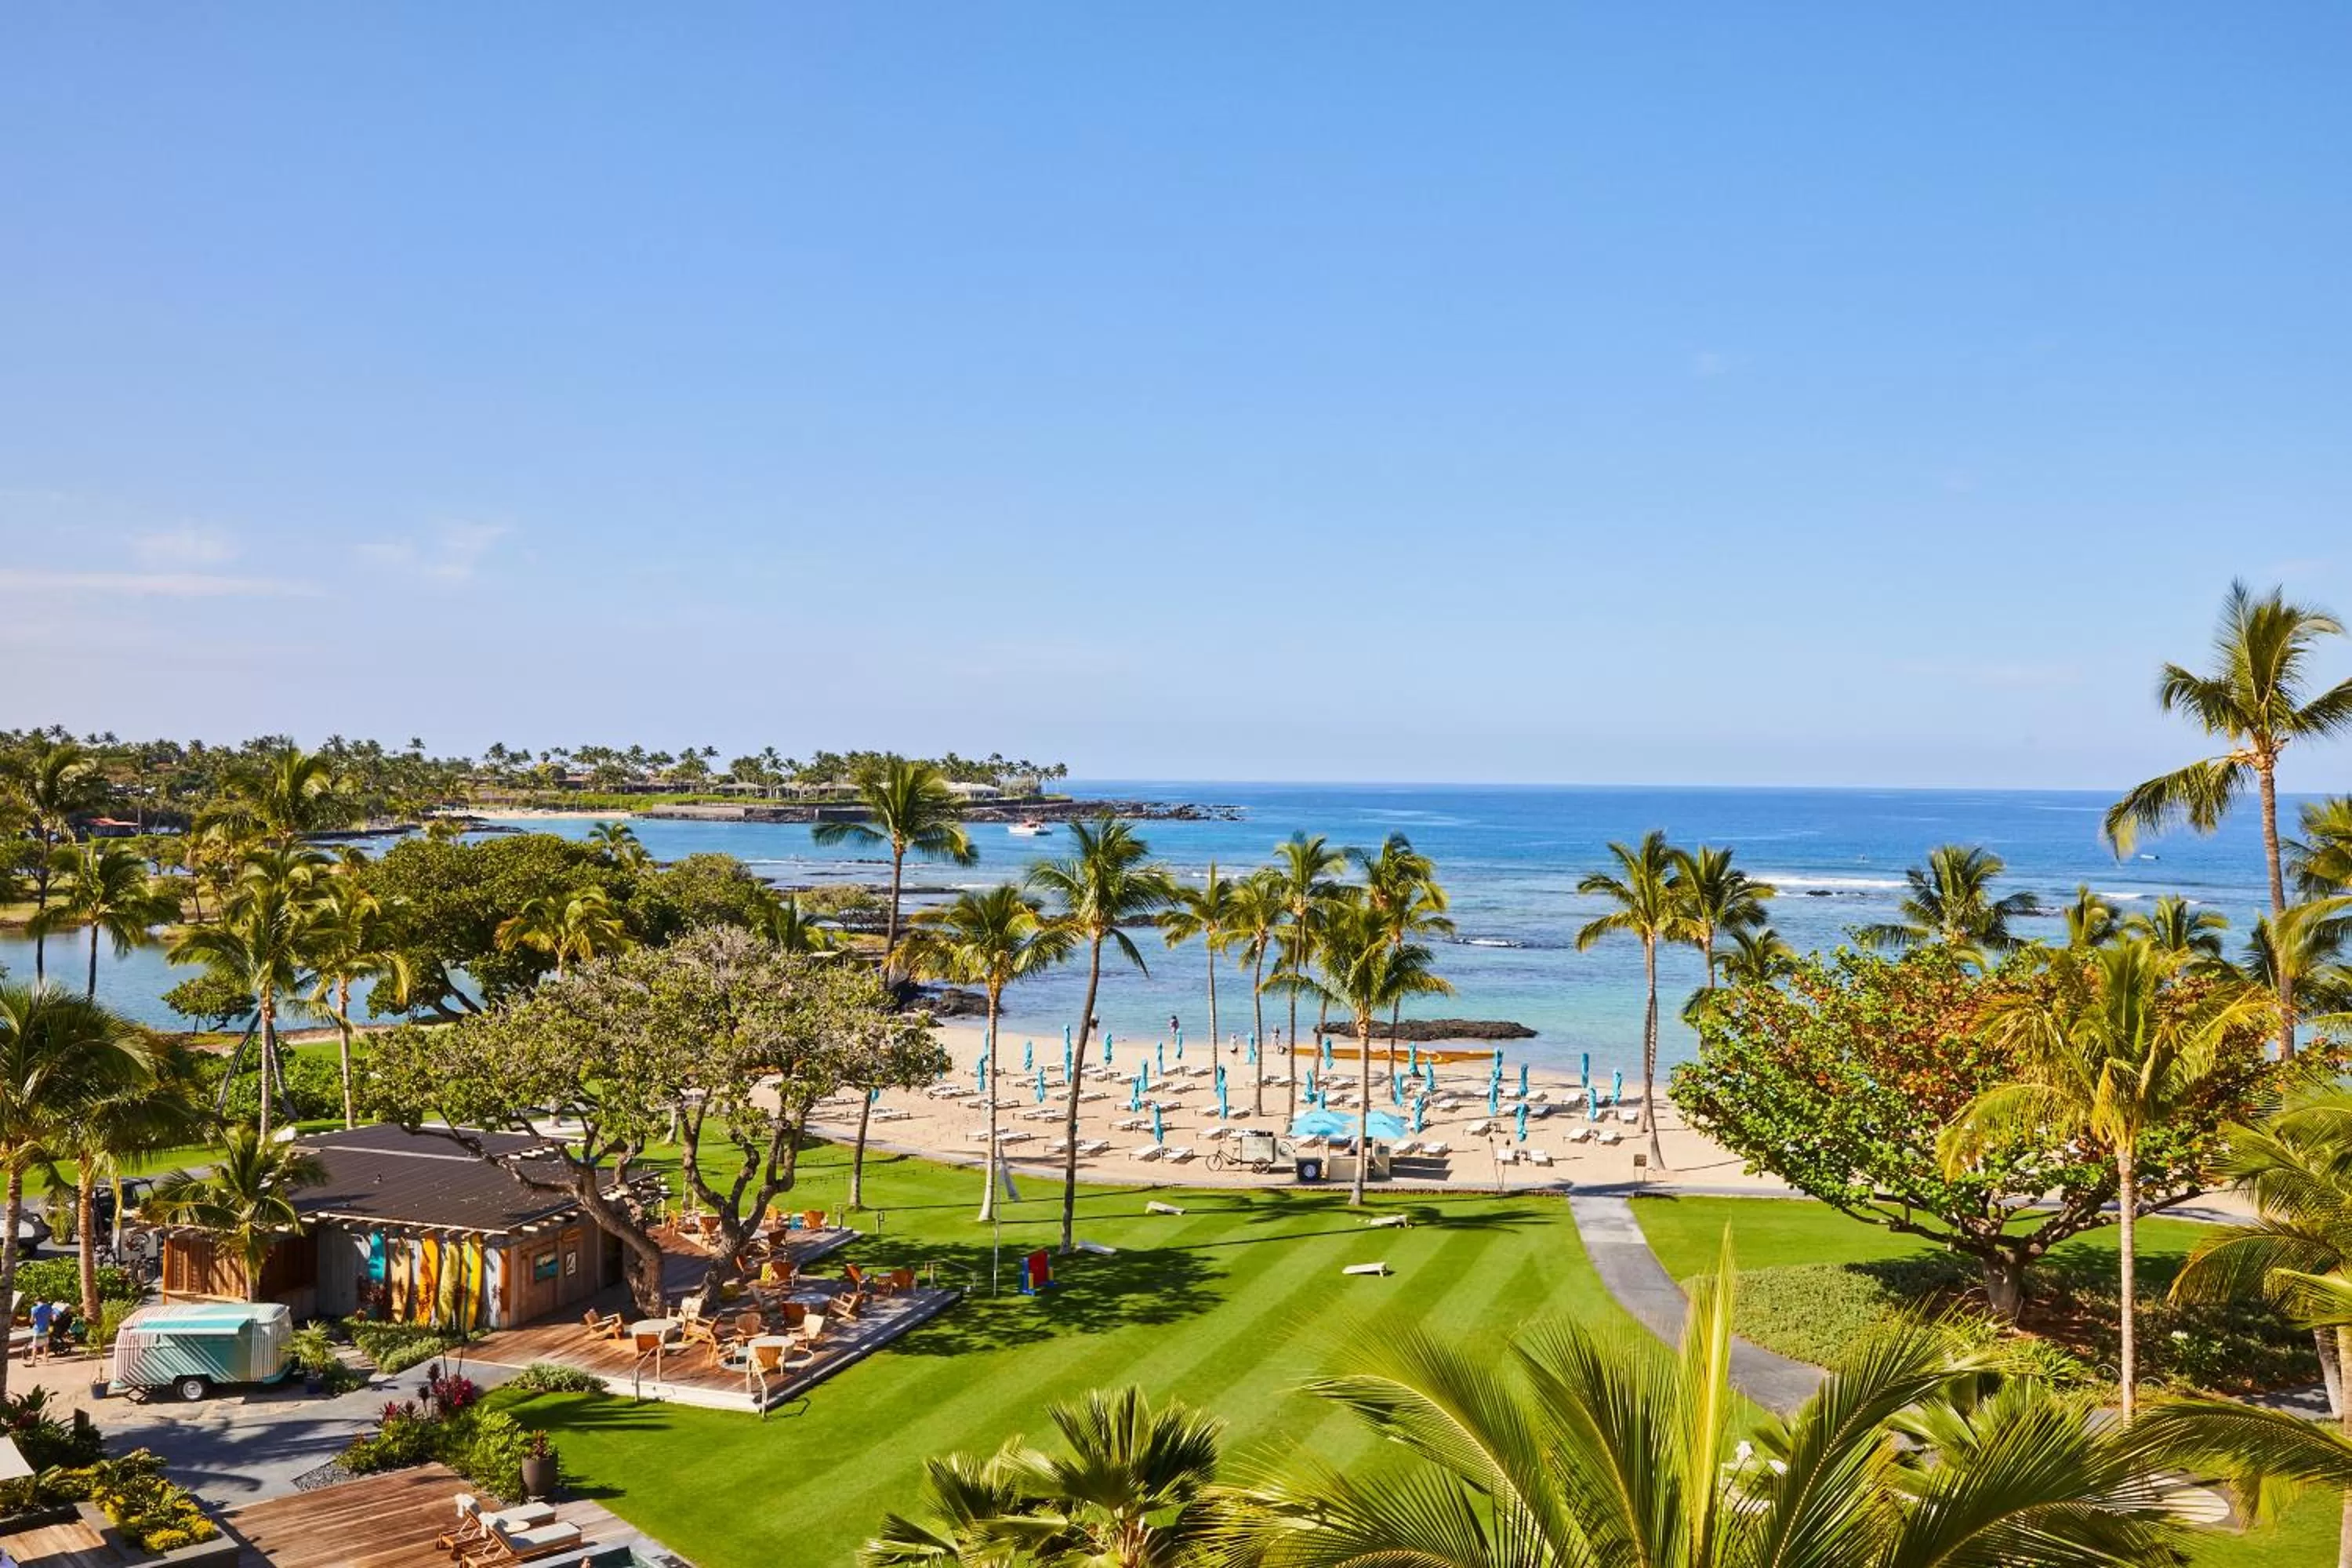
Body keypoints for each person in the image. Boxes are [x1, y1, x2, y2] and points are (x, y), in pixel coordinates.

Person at [26, 1298, 52, 1365]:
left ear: (36, 1301)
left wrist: (34, 1320)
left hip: (38, 1329)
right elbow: (50, 1317)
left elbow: (31, 1321)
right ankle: (46, 1358)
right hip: (46, 1328)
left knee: (35, 1346)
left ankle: (33, 1361)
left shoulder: (34, 1309)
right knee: (45, 1344)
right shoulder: (49, 1307)